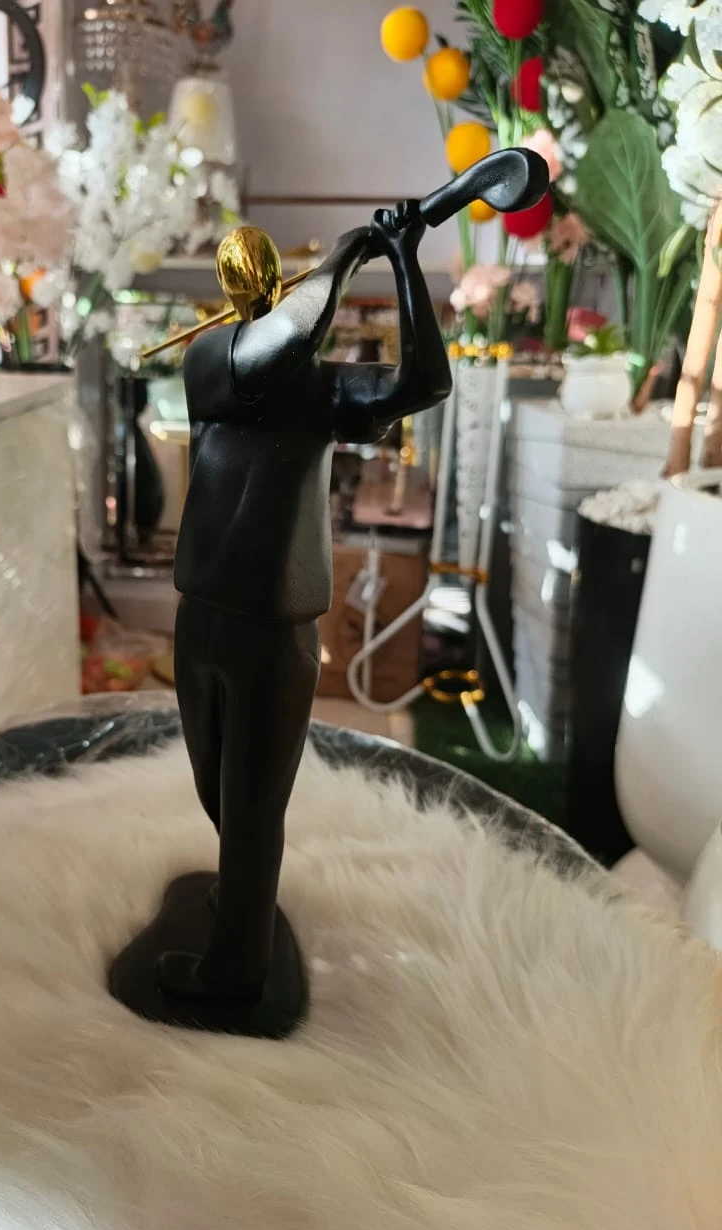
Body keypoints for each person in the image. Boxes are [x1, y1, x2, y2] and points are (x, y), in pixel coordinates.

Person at [155, 202, 453, 1015]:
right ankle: (243, 897)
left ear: (270, 280)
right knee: (218, 791)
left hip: (275, 627)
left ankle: (235, 968)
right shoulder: (213, 359)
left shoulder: (319, 389)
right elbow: (286, 337)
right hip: (202, 612)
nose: (248, 281)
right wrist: (354, 249)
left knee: (253, 806)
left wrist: (404, 262)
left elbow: (424, 383)